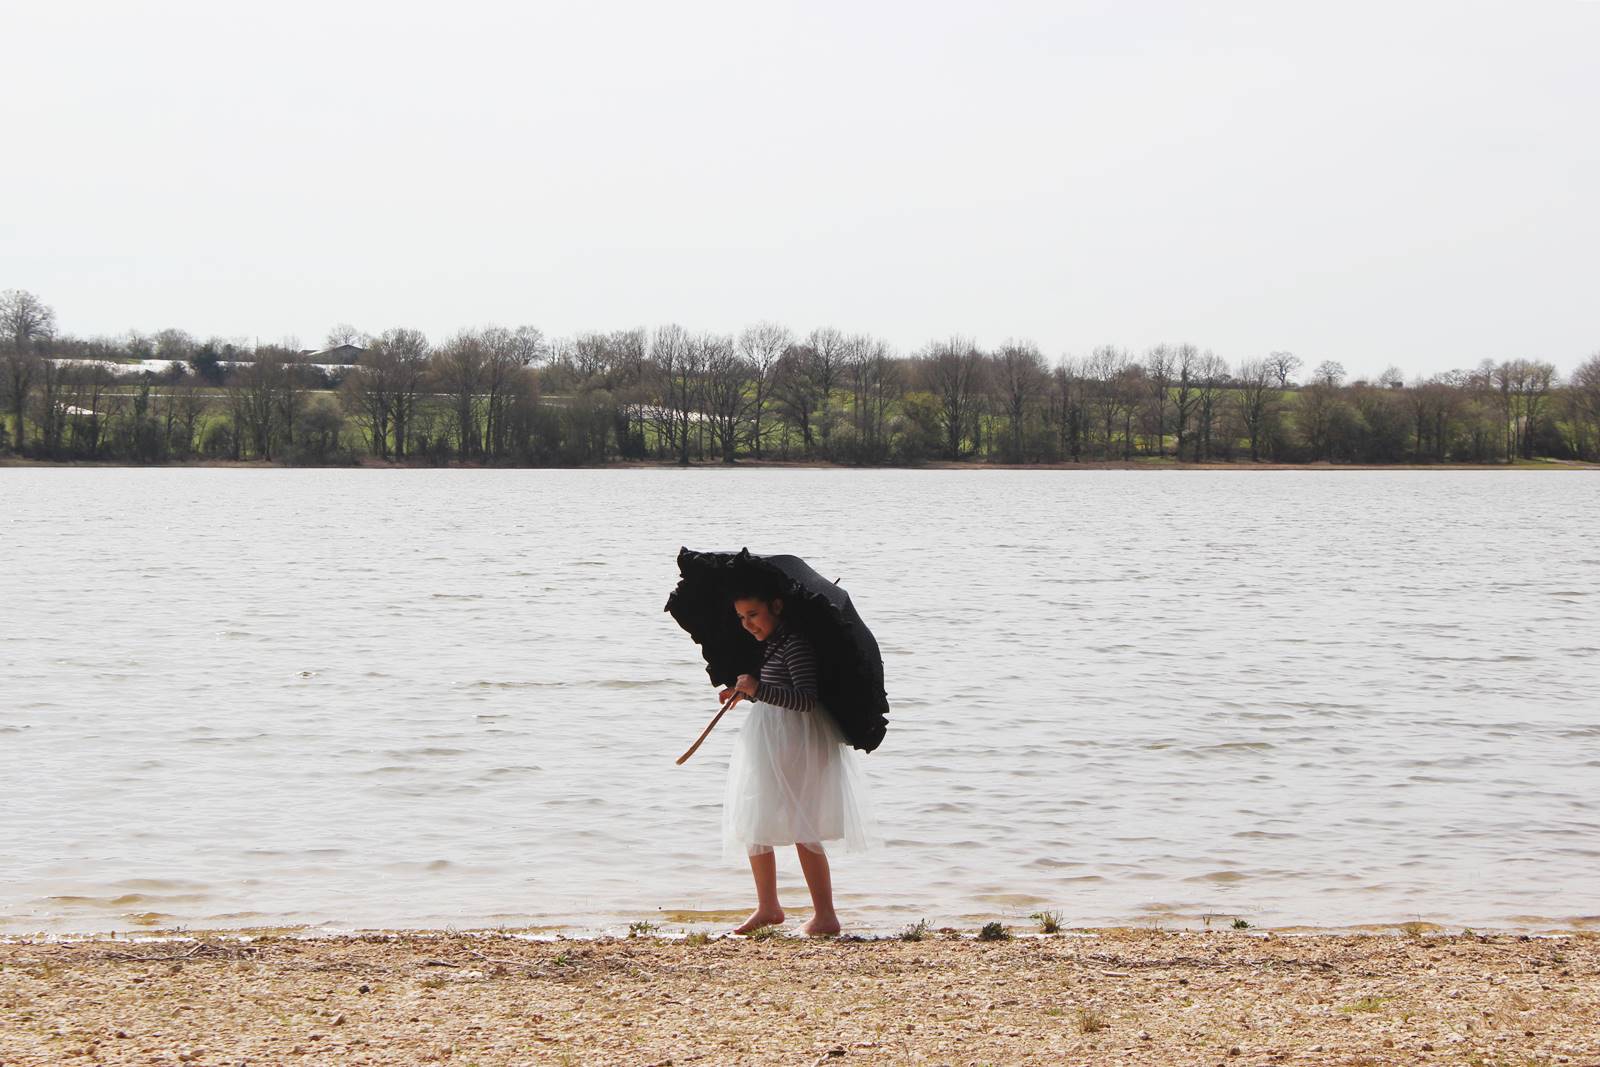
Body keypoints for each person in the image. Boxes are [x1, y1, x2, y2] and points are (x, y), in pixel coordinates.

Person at [721, 585, 877, 936]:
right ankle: (768, 906)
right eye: (741, 618)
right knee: (753, 817)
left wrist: (757, 689)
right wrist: (744, 693)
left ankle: (825, 915)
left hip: (795, 743)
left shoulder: (795, 644)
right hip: (772, 739)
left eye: (754, 615)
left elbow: (804, 699)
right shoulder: (772, 644)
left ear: (776, 606)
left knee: (801, 825)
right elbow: (776, 693)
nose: (747, 624)